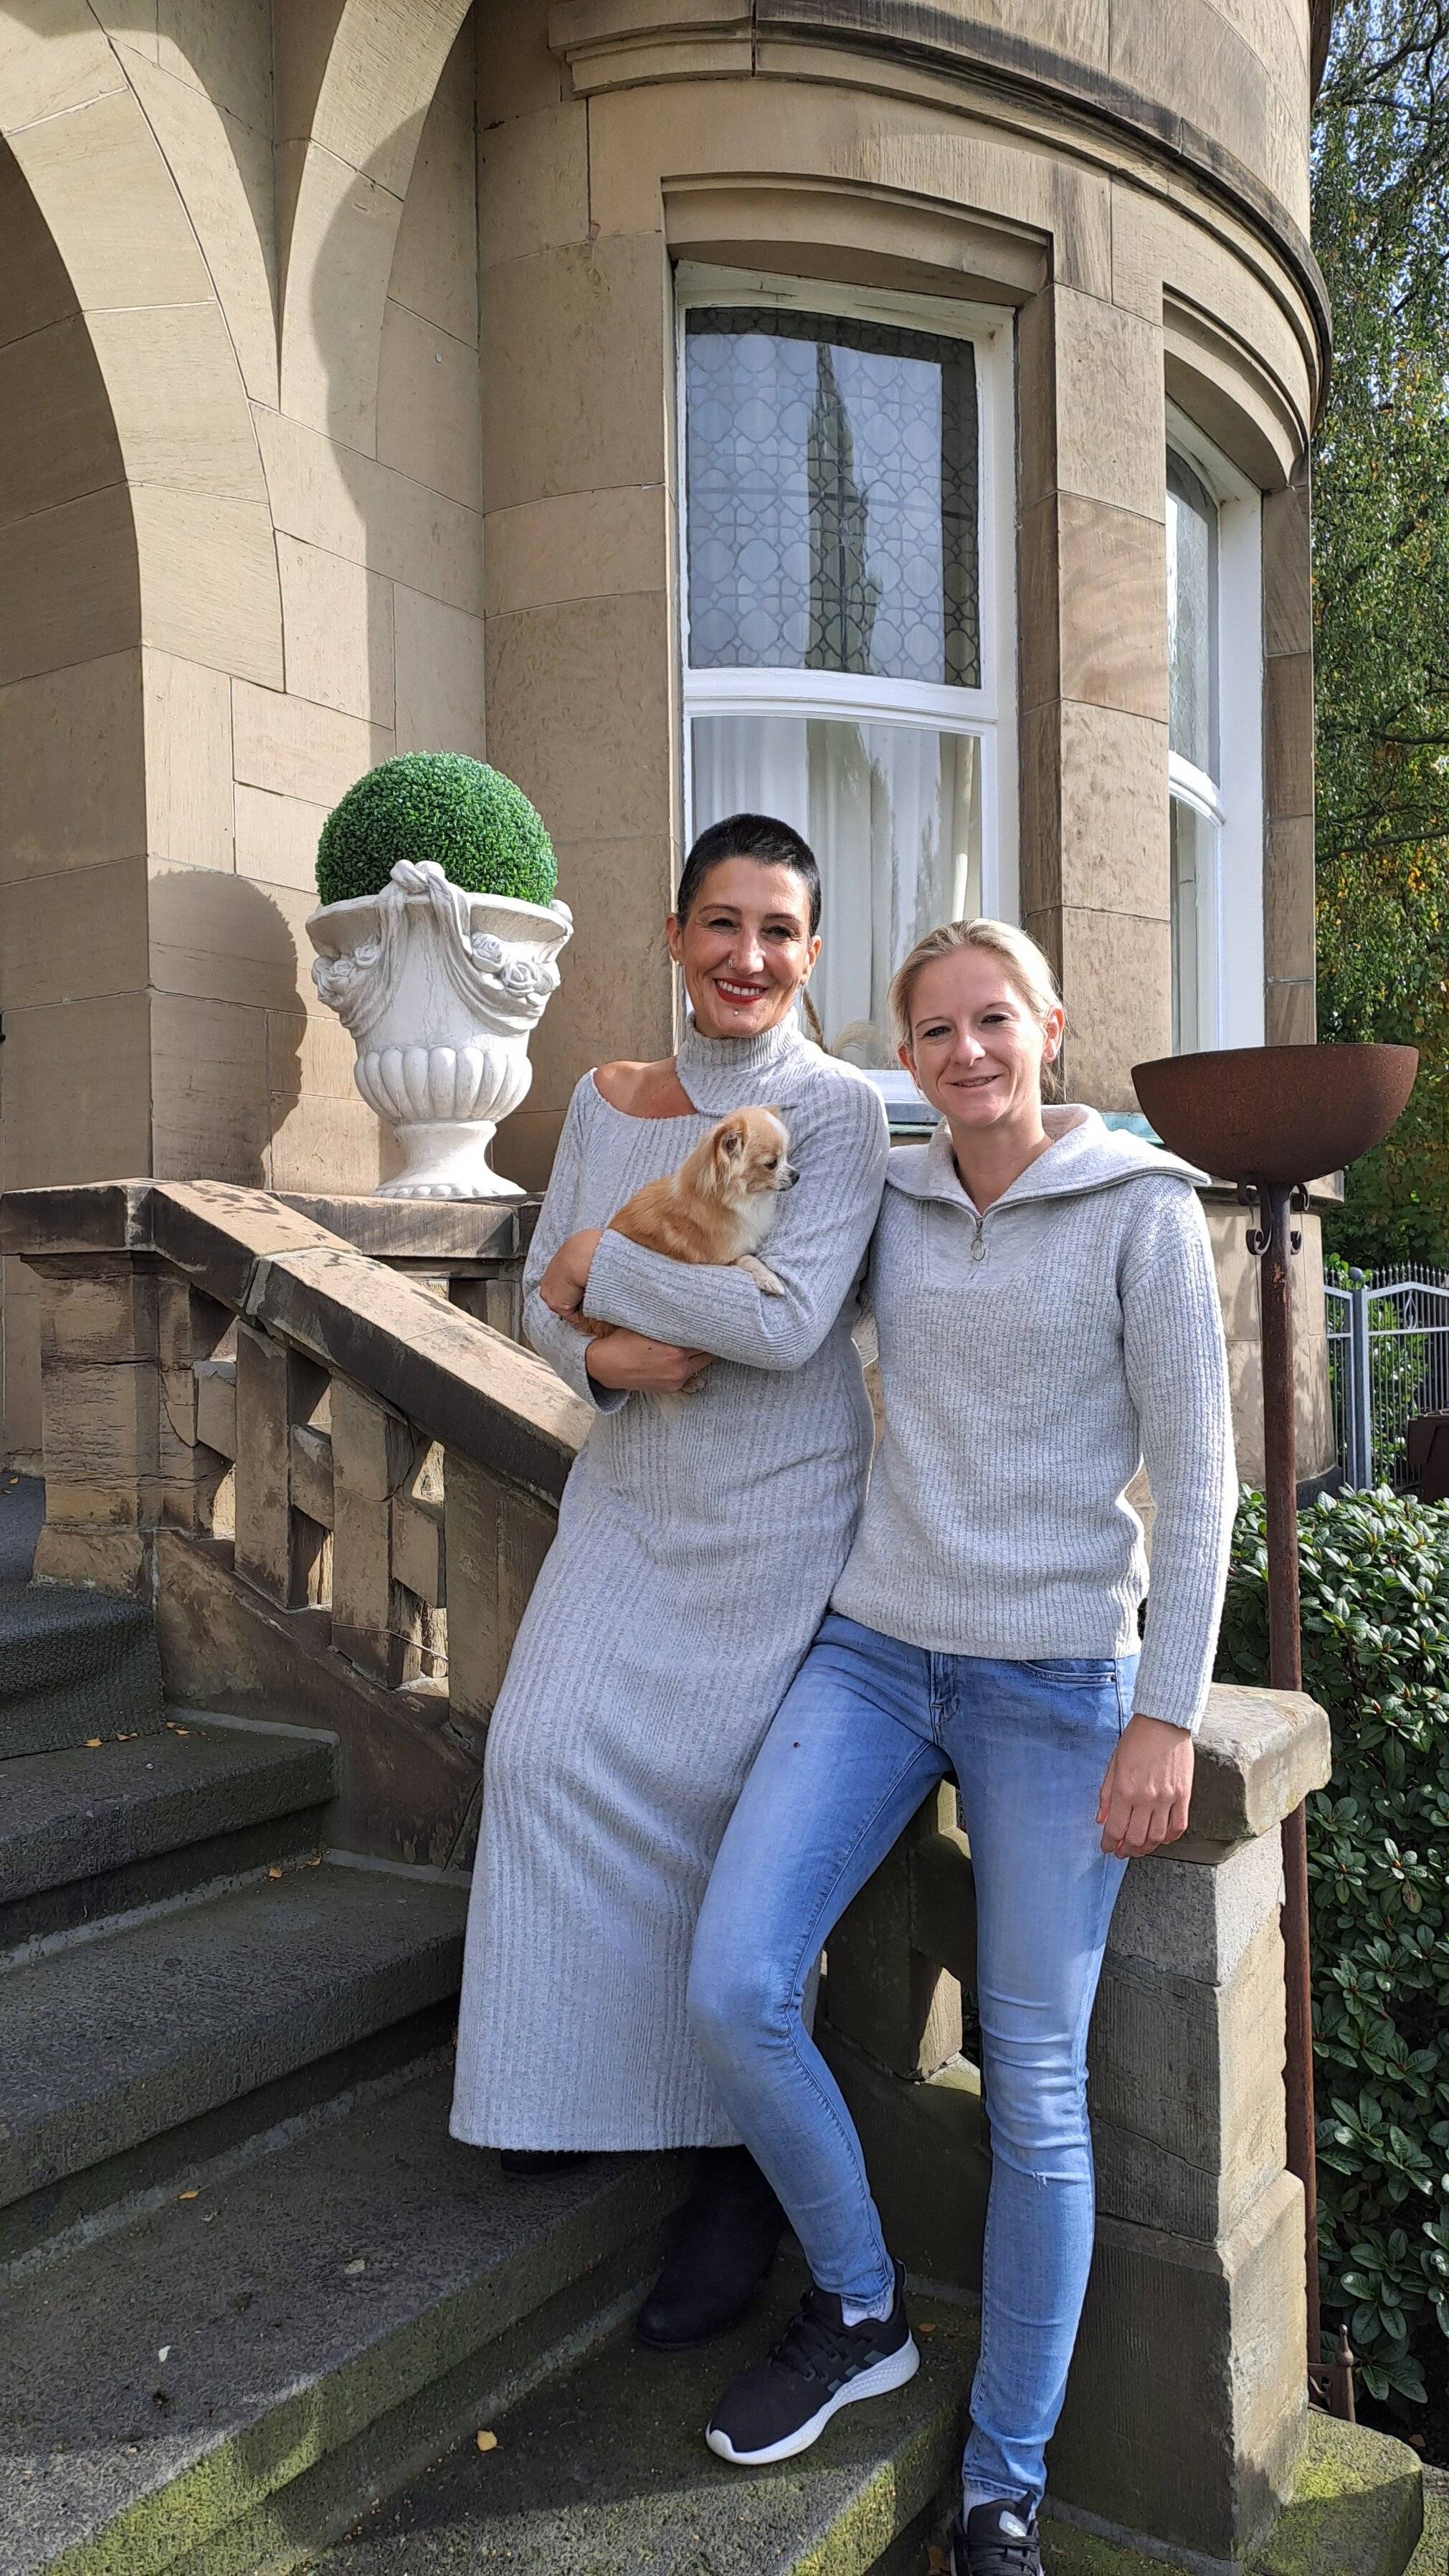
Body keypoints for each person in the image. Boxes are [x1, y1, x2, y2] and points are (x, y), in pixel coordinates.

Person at [688, 918, 1235, 2575]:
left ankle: (1002, 2484)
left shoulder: (1144, 1209)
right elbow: (756, 1269)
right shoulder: (901, 1198)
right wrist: (602, 1293)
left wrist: (1168, 1711)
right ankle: (862, 2306)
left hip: (1059, 1681)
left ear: (1048, 1028)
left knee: (1039, 2092)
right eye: (934, 1031)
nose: (967, 1051)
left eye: (993, 1019)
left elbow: (1200, 1484)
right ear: (904, 1055)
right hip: (876, 1649)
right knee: (731, 1979)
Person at [450, 813, 890, 2349]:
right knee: (542, 1750)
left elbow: (781, 1321)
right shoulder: (603, 1096)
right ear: (675, 935)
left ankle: (736, 2168)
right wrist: (589, 1336)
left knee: (724, 1812)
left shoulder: (838, 1110)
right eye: (722, 921)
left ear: (811, 954)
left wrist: (595, 1270)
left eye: (779, 929)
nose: (748, 955)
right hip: (632, 1492)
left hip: (775, 1510)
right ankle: (570, 2077)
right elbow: (536, 1312)